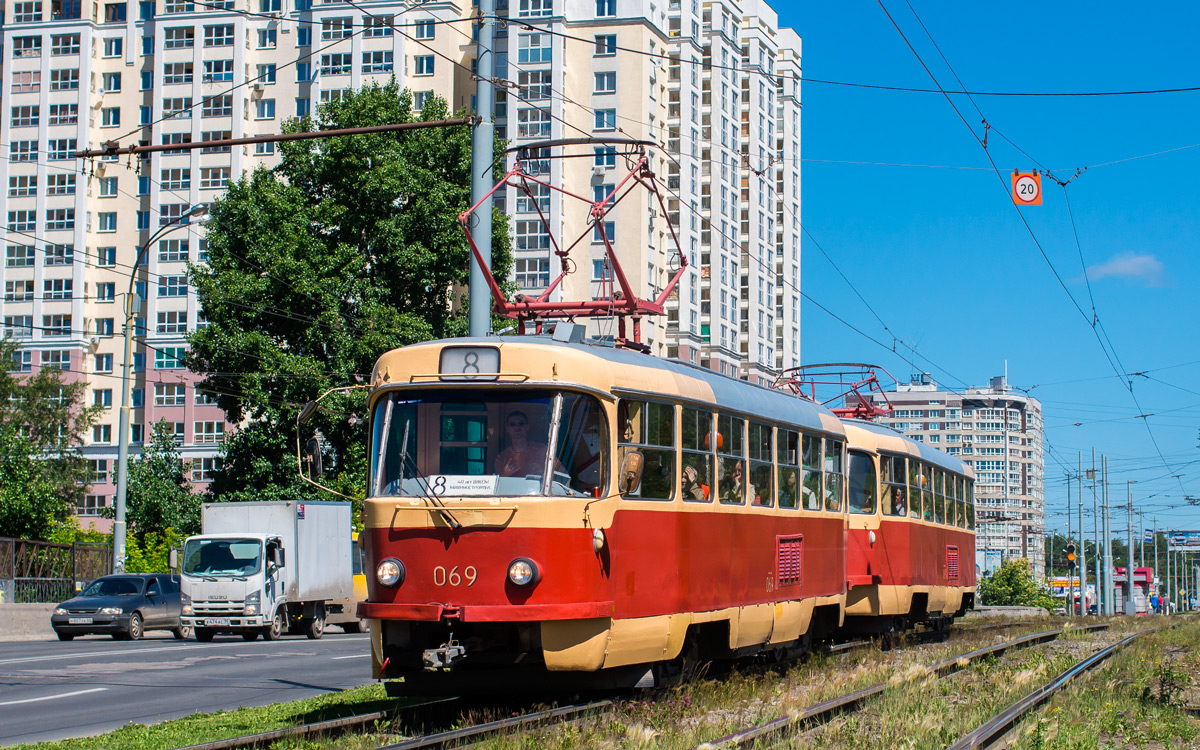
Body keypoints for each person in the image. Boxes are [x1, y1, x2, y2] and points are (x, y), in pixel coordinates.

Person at [495, 410, 550, 478]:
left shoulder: (543, 451)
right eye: (512, 424)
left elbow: (561, 474)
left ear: (527, 427)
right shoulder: (501, 457)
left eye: (521, 423)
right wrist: (506, 474)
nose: (517, 427)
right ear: (507, 429)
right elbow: (498, 485)